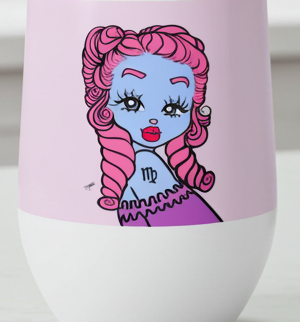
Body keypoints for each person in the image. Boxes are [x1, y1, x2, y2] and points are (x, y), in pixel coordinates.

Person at [82, 24, 222, 226]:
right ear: (104, 100)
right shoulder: (144, 162)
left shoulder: (144, 162)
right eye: (132, 102)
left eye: (174, 107)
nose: (154, 119)